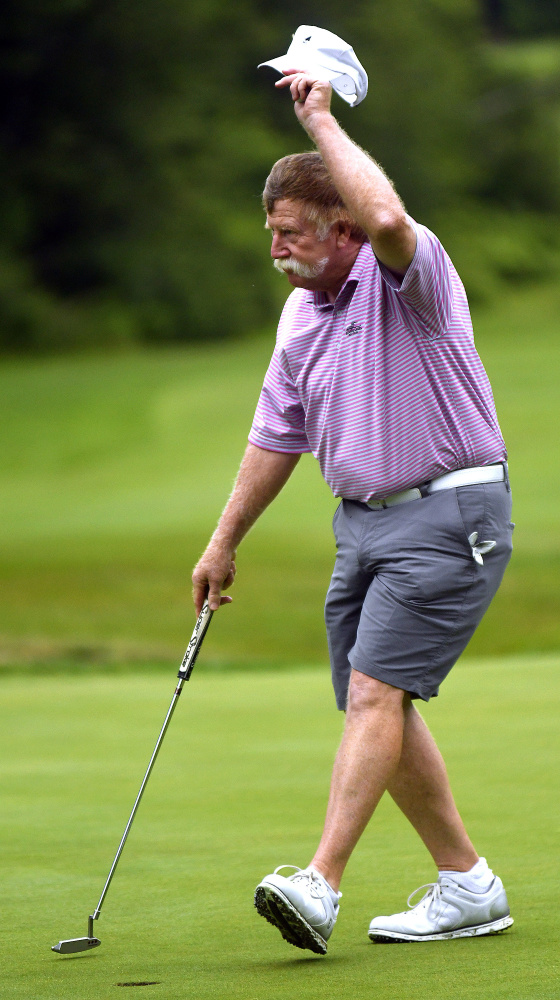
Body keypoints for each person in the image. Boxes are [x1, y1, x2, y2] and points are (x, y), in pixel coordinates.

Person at [191, 68, 514, 955]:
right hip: (364, 525)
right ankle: (468, 883)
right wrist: (223, 545)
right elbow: (274, 438)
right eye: (270, 233)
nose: (276, 250)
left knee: (376, 693)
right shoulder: (299, 318)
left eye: (290, 234)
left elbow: (388, 221)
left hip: (450, 515)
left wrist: (323, 121)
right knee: (376, 701)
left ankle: (320, 884)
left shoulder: (409, 276)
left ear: (339, 232)